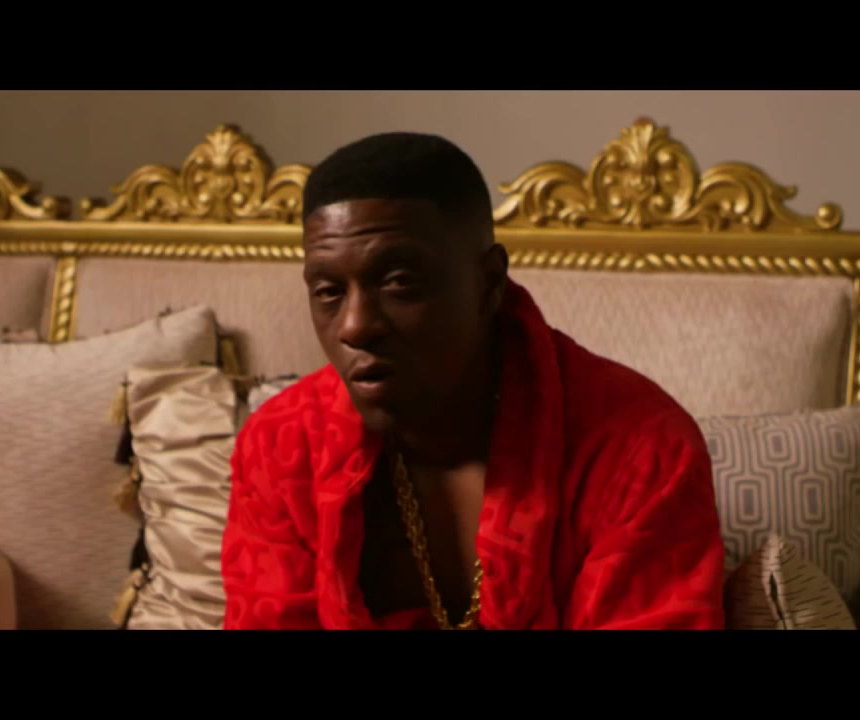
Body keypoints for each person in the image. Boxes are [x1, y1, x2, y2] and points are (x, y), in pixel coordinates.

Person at [220, 131, 726, 630]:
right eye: (329, 291)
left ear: (489, 283)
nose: (355, 326)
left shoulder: (639, 448)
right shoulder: (283, 447)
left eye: (399, 282)